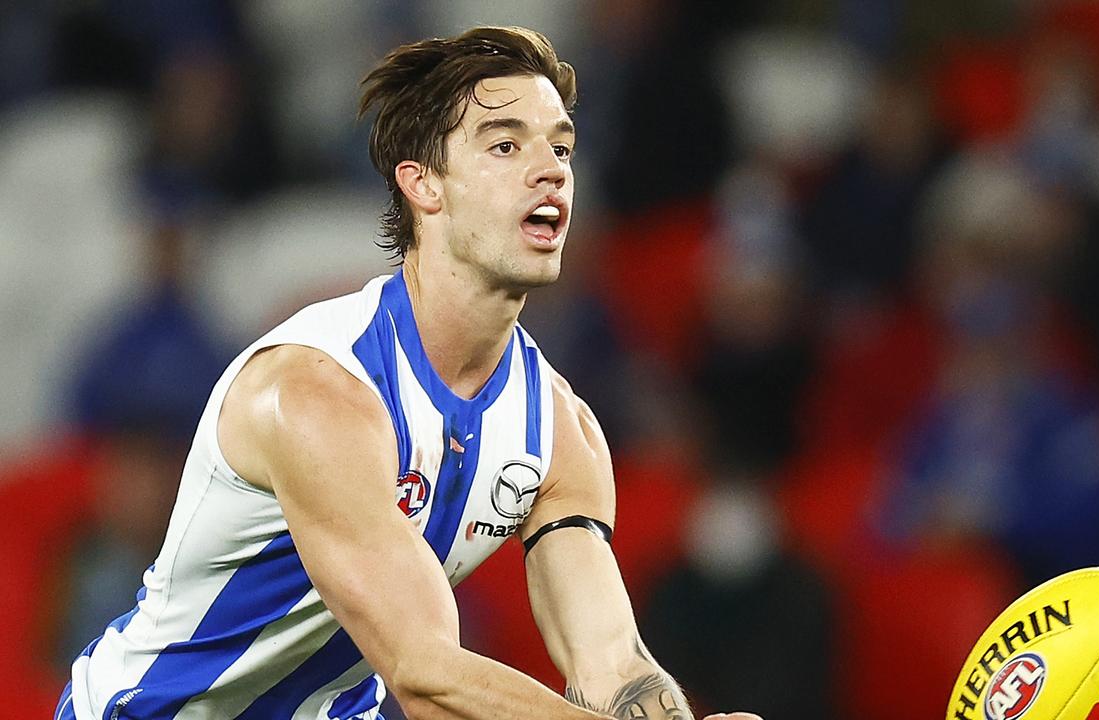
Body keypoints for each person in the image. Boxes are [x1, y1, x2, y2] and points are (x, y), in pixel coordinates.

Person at [57, 26, 761, 720]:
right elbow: (424, 676)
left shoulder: (560, 428)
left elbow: (612, 664)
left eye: (561, 147)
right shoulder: (314, 389)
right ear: (422, 184)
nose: (550, 169)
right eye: (506, 145)